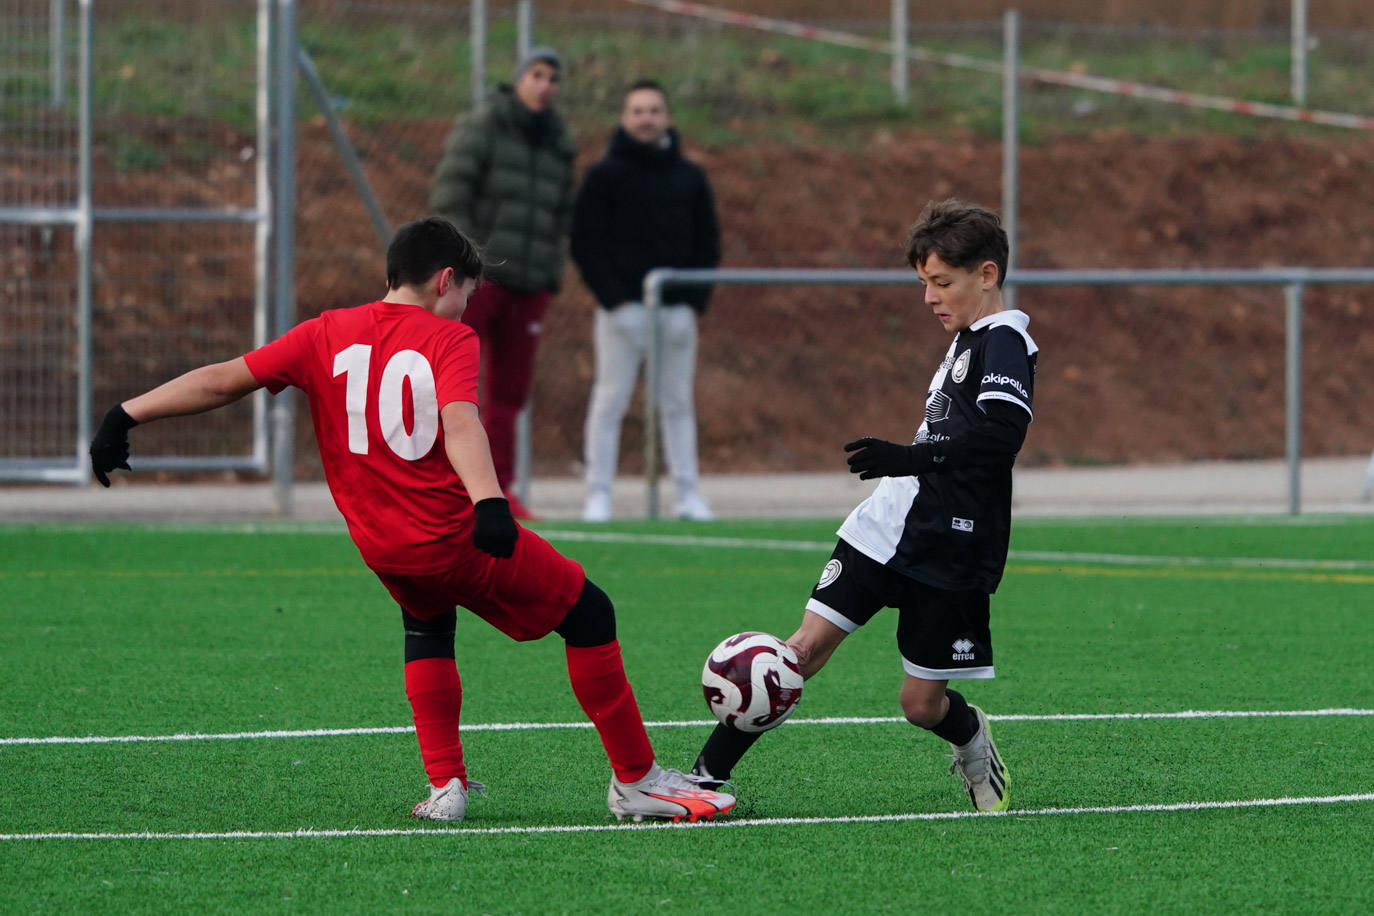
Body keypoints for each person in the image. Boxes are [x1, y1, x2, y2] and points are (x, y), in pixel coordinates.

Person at [88, 217, 734, 825]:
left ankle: (445, 785)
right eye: (466, 295)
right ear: (446, 281)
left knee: (426, 625)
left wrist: (126, 414)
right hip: (448, 536)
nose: (465, 311)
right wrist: (490, 502)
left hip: (381, 545)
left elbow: (226, 379)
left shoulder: (324, 331)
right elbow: (459, 420)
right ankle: (636, 780)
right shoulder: (450, 335)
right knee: (589, 613)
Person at [690, 200, 1037, 813]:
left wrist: (907, 456)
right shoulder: (965, 337)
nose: (930, 297)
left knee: (920, 706)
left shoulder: (1005, 341)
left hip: (951, 545)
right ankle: (702, 780)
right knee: (798, 653)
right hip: (886, 524)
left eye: (942, 283)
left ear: (986, 275)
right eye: (924, 284)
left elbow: (1000, 438)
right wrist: (907, 468)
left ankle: (971, 736)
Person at [429, 46, 577, 520]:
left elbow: (559, 217)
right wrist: (467, 266)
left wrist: (549, 274)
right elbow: (451, 194)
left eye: (553, 78)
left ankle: (498, 488)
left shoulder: (558, 141)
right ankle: (442, 484)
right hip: (481, 282)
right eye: (536, 75)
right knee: (454, 384)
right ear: (518, 79)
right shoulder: (484, 125)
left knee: (509, 394)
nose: (545, 85)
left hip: (528, 286)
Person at [570, 79, 721, 522]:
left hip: (676, 312)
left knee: (677, 403)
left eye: (654, 110)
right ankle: (598, 494)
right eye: (637, 110)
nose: (646, 118)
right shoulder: (603, 175)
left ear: (667, 118)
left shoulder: (690, 176)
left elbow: (707, 242)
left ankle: (687, 494)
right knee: (610, 399)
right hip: (623, 312)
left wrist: (692, 300)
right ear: (624, 118)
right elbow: (585, 242)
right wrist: (615, 299)